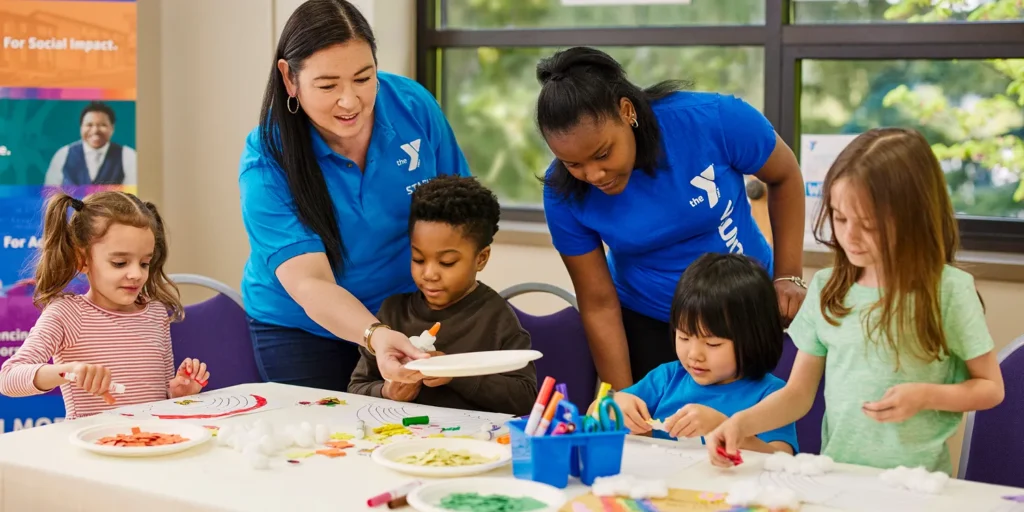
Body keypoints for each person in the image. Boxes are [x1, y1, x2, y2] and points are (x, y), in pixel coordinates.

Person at [706, 128, 1005, 474]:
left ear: (914, 217)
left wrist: (925, 396)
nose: (849, 236)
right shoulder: (826, 287)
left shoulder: (949, 291)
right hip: (840, 478)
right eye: (840, 217)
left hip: (917, 485)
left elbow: (990, 388)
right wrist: (740, 424)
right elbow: (798, 394)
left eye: (869, 225)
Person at [536, 47, 808, 391]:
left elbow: (784, 176)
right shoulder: (563, 192)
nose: (593, 174)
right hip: (651, 322)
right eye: (573, 164)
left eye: (602, 154)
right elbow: (599, 304)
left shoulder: (713, 120)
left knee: (752, 430)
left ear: (627, 111)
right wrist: (622, 397)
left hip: (746, 308)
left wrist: (788, 276)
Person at [239, 0, 472, 391]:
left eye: (364, 78)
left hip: (407, 310)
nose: (350, 101)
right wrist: (375, 334)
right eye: (328, 85)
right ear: (289, 77)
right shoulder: (267, 160)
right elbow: (310, 284)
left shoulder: (412, 107)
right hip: (301, 327)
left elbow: (461, 210)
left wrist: (456, 308)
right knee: (327, 442)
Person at [0, 191, 209, 419]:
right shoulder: (67, 314)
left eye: (144, 263)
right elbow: (8, 378)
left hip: (151, 443)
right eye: (120, 263)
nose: (136, 274)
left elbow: (161, 396)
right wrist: (68, 372)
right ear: (82, 260)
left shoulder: (156, 313)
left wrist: (178, 393)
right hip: (93, 448)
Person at [348, 175, 537, 416]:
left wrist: (456, 372)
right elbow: (356, 387)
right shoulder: (393, 313)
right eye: (418, 259)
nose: (429, 274)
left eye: (447, 263)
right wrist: (387, 392)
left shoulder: (496, 318)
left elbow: (526, 398)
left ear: (481, 258)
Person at [605, 253, 797, 454]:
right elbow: (595, 412)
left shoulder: (771, 396)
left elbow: (781, 459)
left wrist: (724, 428)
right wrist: (613, 403)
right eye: (684, 337)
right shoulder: (668, 378)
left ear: (754, 338)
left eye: (713, 343)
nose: (694, 354)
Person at [45, 102, 137, 186]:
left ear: (112, 128)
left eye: (102, 125)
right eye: (89, 125)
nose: (95, 130)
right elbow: (50, 196)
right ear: (81, 127)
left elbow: (134, 196)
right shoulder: (63, 154)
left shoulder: (128, 155)